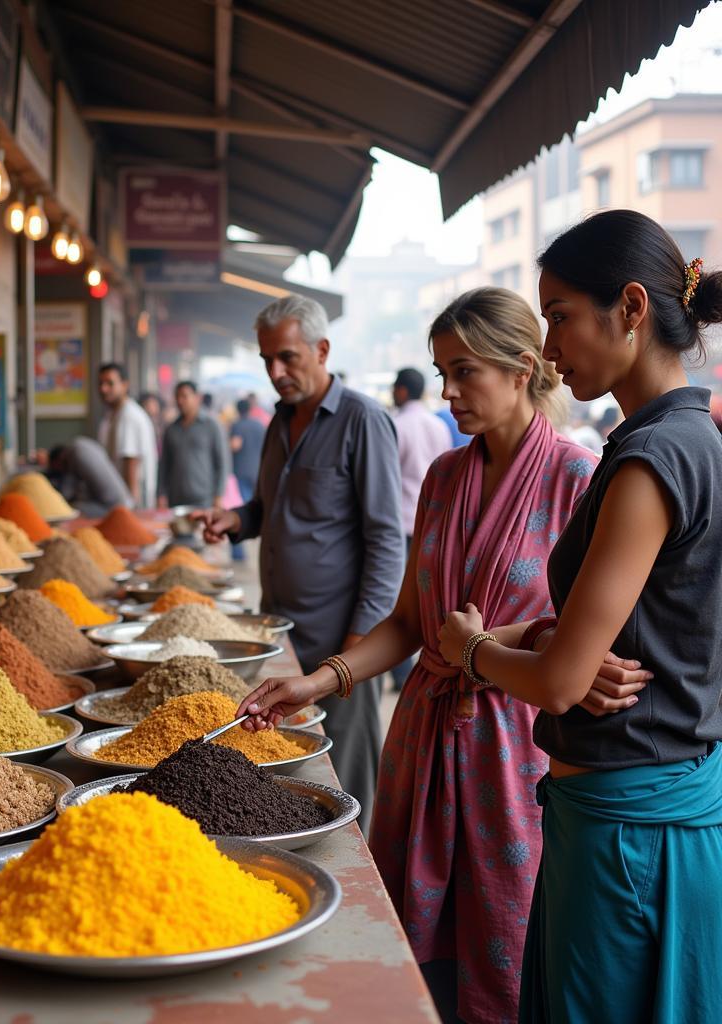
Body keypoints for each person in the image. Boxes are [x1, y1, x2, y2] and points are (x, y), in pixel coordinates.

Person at [237, 287, 635, 1024]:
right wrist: (320, 680)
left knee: (509, 956)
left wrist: (506, 647)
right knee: (420, 966)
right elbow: (413, 622)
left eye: (463, 372)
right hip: (422, 736)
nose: (446, 392)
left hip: (514, 755)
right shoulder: (446, 479)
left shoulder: (579, 482)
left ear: (522, 370)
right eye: (440, 371)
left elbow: (592, 642)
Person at [433, 213, 722, 1023]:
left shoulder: (652, 458)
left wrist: (476, 647)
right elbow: (644, 630)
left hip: (629, 827)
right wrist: (537, 638)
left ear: (630, 308)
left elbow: (561, 687)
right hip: (628, 812)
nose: (550, 348)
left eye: (559, 316)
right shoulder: (677, 440)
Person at [195, 294, 404, 831]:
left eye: (287, 357)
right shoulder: (278, 423)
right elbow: (269, 508)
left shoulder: (363, 420)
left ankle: (356, 889)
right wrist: (235, 520)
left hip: (342, 642)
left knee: (347, 778)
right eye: (267, 360)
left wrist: (360, 642)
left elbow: (385, 539)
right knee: (291, 770)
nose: (276, 371)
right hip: (281, 634)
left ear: (322, 349)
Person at [389, 367, 453, 691]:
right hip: (431, 522)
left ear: (401, 391)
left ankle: (400, 673)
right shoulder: (438, 425)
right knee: (424, 599)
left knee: (401, 603)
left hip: (401, 520)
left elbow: (387, 479)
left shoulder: (396, 425)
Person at [158, 381, 228, 509]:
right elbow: (164, 465)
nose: (180, 401)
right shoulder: (171, 429)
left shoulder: (211, 426)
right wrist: (161, 494)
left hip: (204, 499)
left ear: (197, 398)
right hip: (176, 499)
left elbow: (223, 462)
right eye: (177, 397)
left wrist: (218, 495)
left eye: (184, 396)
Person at [97, 363, 158, 509]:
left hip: (131, 502)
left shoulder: (129, 415)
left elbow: (131, 463)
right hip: (118, 500)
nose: (103, 389)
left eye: (110, 383)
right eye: (101, 383)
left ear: (124, 385)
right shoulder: (111, 415)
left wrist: (130, 510)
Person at [42, 437, 133, 518]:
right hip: (126, 500)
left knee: (70, 508)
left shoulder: (74, 454)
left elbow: (67, 493)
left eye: (56, 467)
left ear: (59, 459)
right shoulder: (83, 444)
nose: (59, 471)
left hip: (112, 506)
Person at [228, 398, 268, 562]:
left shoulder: (238, 425)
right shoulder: (259, 425)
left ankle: (238, 552)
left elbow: (235, 445)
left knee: (239, 511)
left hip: (241, 472)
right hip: (257, 471)